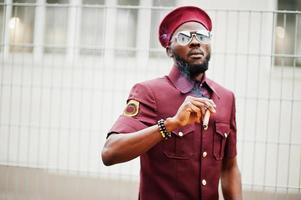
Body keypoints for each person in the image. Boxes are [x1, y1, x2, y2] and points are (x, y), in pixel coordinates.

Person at [101, 6, 242, 200]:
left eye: (202, 36)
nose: (195, 42)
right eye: (184, 37)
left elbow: (229, 168)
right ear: (169, 50)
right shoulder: (149, 92)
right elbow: (110, 152)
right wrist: (170, 125)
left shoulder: (226, 98)